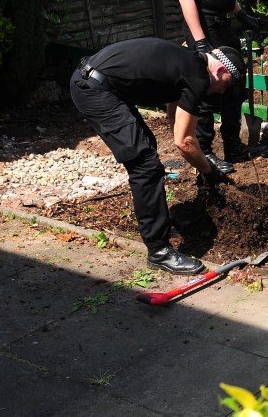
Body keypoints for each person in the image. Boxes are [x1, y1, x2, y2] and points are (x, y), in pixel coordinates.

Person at [70, 37, 243, 275]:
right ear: (222, 69)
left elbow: (176, 118)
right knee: (145, 166)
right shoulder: (198, 77)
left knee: (146, 147)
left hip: (98, 82)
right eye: (228, 84)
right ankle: (159, 251)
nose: (223, 91)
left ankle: (155, 222)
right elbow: (184, 142)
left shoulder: (187, 61)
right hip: (95, 90)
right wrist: (209, 171)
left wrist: (191, 153)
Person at [175, 0, 261, 175]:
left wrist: (239, 14)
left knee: (234, 82)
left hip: (224, 24)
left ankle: (233, 147)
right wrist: (200, 42)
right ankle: (206, 152)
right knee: (207, 88)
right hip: (206, 27)